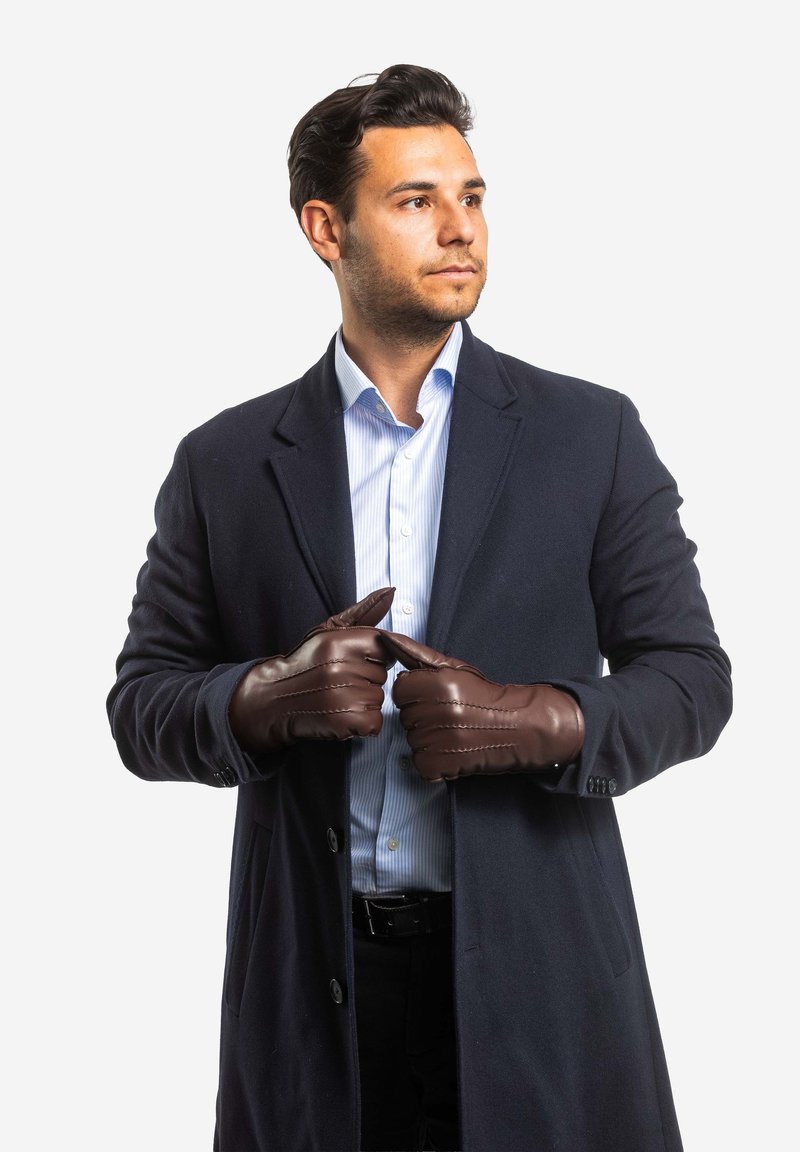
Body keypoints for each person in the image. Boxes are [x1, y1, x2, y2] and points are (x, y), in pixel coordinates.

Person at [107, 63, 733, 1152]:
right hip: (312, 992)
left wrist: (540, 720)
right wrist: (264, 697)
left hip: (540, 982)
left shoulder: (588, 435)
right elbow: (141, 704)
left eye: (472, 197)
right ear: (324, 227)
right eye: (415, 201)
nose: (459, 229)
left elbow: (690, 677)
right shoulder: (223, 461)